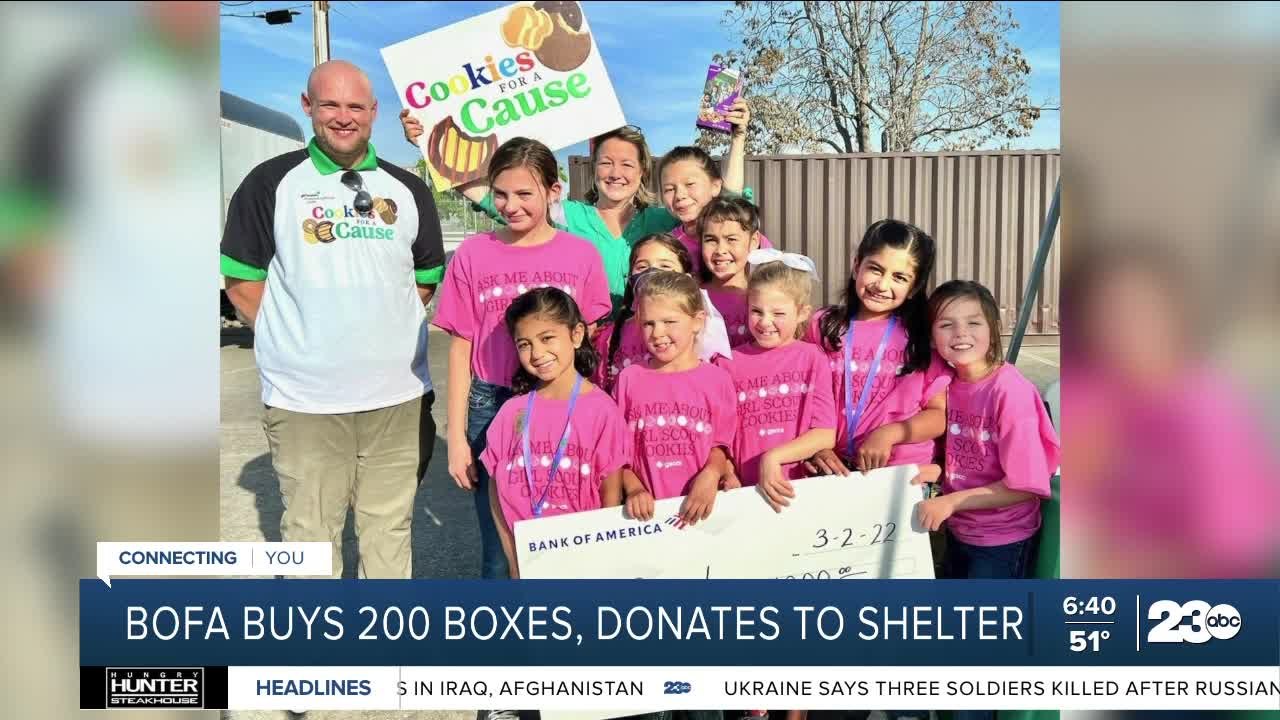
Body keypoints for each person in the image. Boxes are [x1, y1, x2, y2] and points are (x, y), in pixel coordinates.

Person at [220, 60, 446, 579]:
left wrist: (373, 329)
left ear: (373, 112)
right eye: (330, 105)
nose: (343, 117)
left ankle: (387, 657)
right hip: (306, 404)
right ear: (308, 107)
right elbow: (242, 280)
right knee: (309, 540)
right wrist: (297, 342)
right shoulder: (270, 183)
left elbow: (424, 277)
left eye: (355, 107)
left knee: (389, 534)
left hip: (398, 400)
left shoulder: (407, 189)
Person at [432, 136, 613, 579]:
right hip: (493, 406)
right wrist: (456, 438)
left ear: (554, 192)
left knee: (574, 537)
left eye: (524, 194)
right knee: (502, 546)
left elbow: (587, 339)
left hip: (562, 407)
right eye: (501, 193)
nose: (511, 205)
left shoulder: (581, 255)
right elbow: (461, 348)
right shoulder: (473, 254)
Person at [400, 104, 753, 306]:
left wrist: (738, 138)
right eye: (605, 163)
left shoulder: (663, 221)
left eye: (627, 164)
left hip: (647, 343)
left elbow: (727, 205)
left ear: (643, 171)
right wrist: (429, 144)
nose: (615, 173)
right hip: (585, 348)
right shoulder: (567, 215)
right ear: (593, 167)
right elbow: (494, 200)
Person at [913, 280, 1060, 586]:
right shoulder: (949, 386)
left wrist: (950, 502)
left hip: (1002, 541)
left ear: (992, 329)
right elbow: (975, 461)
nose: (961, 333)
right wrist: (937, 471)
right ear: (931, 335)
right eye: (946, 324)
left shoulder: (1009, 391)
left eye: (973, 322)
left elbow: (1025, 485)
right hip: (961, 530)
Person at [481, 287, 630, 579]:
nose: (536, 354)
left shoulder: (602, 410)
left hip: (585, 566)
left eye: (547, 338)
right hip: (526, 565)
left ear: (576, 335)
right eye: (524, 344)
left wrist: (602, 558)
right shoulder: (512, 412)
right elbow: (496, 489)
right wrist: (513, 559)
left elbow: (610, 491)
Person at [803, 219, 947, 478]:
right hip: (832, 470)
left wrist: (890, 434)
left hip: (899, 473)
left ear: (914, 287)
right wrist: (817, 447)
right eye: (875, 269)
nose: (882, 285)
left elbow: (938, 415)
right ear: (857, 264)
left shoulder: (922, 336)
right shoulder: (821, 325)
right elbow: (805, 399)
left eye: (899, 277)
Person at [611, 270, 738, 525]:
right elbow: (616, 453)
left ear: (697, 321)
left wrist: (712, 474)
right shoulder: (628, 379)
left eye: (669, 322)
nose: (657, 333)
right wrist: (633, 488)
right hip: (645, 520)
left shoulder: (717, 379)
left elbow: (721, 445)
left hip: (704, 514)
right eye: (649, 324)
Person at [712, 249, 836, 508]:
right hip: (743, 497)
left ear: (802, 312)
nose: (765, 322)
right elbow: (718, 436)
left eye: (778, 314)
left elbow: (825, 434)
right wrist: (726, 470)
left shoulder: (812, 358)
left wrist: (774, 458)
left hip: (797, 495)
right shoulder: (726, 363)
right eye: (757, 311)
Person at [595, 233, 733, 392]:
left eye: (665, 266)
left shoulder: (704, 328)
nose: (652, 272)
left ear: (686, 278)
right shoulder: (609, 337)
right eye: (642, 266)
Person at [658, 146, 774, 278]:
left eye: (690, 184)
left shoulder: (748, 240)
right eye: (669, 189)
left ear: (715, 186)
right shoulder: (668, 246)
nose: (679, 195)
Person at [696, 197, 765, 348]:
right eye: (711, 240)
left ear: (753, 241)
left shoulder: (764, 295)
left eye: (731, 239)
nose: (720, 250)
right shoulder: (693, 297)